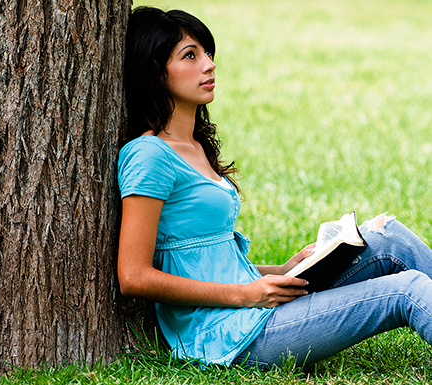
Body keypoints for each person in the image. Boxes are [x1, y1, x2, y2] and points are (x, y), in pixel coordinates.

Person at [117, 6, 432, 369]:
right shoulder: (148, 156)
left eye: (208, 53)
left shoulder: (196, 146)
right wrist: (247, 294)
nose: (209, 64)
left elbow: (213, 261)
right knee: (404, 291)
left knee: (388, 237)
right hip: (231, 336)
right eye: (190, 56)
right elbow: (133, 276)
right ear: (156, 72)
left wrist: (282, 270)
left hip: (255, 308)